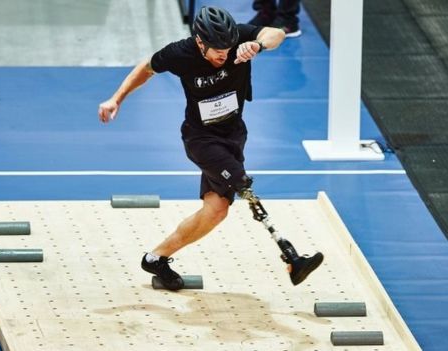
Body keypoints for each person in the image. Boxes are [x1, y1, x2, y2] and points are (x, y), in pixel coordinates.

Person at [98, 6, 322, 290]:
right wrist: (116, 99)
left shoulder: (239, 39)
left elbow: (276, 33)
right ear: (200, 42)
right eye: (217, 50)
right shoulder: (181, 53)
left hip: (233, 134)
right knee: (241, 181)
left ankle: (155, 258)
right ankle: (291, 258)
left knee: (216, 210)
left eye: (228, 49)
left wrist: (257, 44)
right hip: (201, 139)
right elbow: (147, 68)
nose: (224, 56)